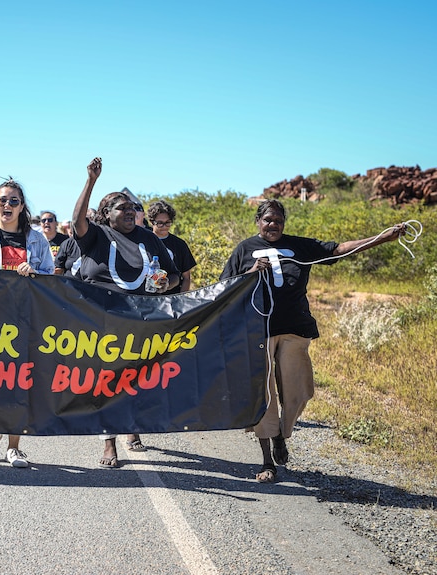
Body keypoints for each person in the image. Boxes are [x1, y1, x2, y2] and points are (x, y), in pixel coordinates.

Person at [220, 199, 408, 483]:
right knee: (265, 394)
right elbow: (224, 287)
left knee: (296, 390)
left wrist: (382, 238)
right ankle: (267, 460)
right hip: (257, 331)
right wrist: (250, 273)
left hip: (295, 328)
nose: (273, 225)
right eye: (268, 220)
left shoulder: (300, 246)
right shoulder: (244, 249)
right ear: (258, 221)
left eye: (278, 220)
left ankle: (282, 433)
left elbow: (339, 250)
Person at [72, 158, 181, 468]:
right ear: (107, 215)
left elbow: (173, 275)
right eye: (122, 207)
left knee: (134, 378)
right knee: (107, 379)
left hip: (139, 319)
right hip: (101, 319)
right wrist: (91, 181)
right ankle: (109, 443)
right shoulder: (96, 235)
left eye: (133, 206)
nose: (131, 210)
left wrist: (164, 285)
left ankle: (130, 427)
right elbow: (76, 219)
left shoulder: (148, 239)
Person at [0, 178, 55, 468]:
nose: (7, 205)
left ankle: (14, 446)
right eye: (1, 200)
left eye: (13, 201)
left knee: (19, 382)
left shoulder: (38, 240)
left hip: (25, 320)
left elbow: (52, 280)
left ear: (22, 206)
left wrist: (36, 271)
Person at [147, 200, 197, 293]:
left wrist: (181, 299)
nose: (164, 226)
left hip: (172, 299)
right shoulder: (144, 242)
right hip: (147, 298)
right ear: (151, 222)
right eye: (160, 223)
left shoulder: (180, 244)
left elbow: (186, 277)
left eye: (168, 222)